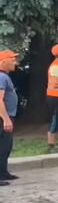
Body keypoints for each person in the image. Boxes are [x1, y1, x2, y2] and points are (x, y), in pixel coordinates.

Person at [0, 50, 19, 185]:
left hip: (7, 116)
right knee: (2, 146)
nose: (15, 63)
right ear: (3, 62)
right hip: (3, 117)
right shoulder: (1, 77)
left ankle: (3, 172)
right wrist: (5, 118)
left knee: (6, 146)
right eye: (12, 60)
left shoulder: (5, 76)